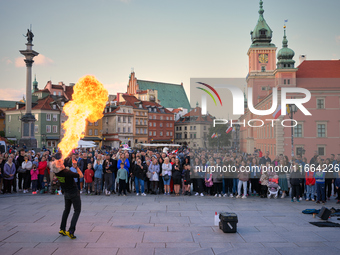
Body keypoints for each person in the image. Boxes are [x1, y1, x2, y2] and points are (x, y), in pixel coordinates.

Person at [53, 154, 83, 240]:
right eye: (60, 163)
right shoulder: (67, 172)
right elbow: (80, 175)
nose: (62, 162)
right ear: (59, 166)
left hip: (66, 193)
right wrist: (76, 167)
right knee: (77, 211)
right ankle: (71, 231)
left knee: (66, 210)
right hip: (74, 193)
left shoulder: (57, 172)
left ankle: (62, 229)